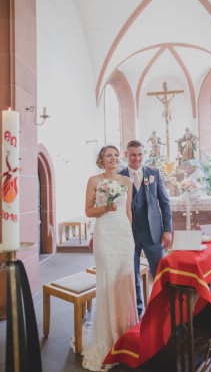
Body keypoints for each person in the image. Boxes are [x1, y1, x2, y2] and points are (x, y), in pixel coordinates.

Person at [80, 145, 138, 371]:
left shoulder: (127, 182)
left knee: (124, 282)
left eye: (115, 155)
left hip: (123, 236)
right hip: (104, 235)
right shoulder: (94, 180)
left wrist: (130, 237)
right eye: (108, 156)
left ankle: (126, 333)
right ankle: (108, 337)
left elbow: (129, 212)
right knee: (107, 282)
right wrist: (105, 207)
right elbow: (88, 211)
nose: (113, 159)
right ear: (101, 160)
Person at [120, 140, 173, 317]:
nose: (137, 158)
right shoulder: (119, 177)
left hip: (153, 232)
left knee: (159, 272)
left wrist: (167, 230)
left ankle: (163, 309)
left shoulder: (154, 173)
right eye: (133, 154)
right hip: (129, 234)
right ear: (126, 154)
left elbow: (165, 203)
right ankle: (138, 311)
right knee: (132, 274)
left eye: (140, 154)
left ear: (144, 154)